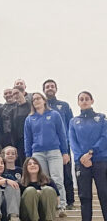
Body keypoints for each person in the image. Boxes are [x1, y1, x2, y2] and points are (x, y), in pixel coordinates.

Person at [24, 92, 69, 217]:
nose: (36, 101)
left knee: (57, 178)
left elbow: (62, 134)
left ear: (44, 100)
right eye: (33, 100)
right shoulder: (29, 119)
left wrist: (65, 152)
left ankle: (61, 206)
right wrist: (29, 156)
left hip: (54, 151)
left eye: (38, 98)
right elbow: (28, 139)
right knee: (43, 180)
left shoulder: (54, 114)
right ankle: (48, 207)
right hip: (38, 153)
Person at [69, 91, 107, 221]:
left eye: (86, 99)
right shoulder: (73, 121)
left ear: (92, 101)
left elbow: (105, 137)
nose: (84, 101)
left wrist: (91, 153)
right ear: (78, 102)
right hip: (82, 163)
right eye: (81, 99)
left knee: (104, 194)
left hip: (100, 160)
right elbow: (73, 142)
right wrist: (81, 158)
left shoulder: (102, 118)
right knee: (84, 196)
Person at [43, 79, 75, 210]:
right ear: (44, 90)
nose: (50, 88)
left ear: (56, 89)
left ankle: (70, 201)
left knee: (66, 173)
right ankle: (53, 200)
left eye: (52, 86)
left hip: (63, 145)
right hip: (47, 147)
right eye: (47, 87)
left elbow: (70, 124)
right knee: (49, 174)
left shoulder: (64, 105)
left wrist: (68, 144)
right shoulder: (40, 107)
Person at [19, 157, 59, 221]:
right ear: (25, 168)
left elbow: (57, 199)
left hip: (45, 213)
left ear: (39, 166)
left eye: (35, 163)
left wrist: (42, 194)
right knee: (30, 190)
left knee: (48, 189)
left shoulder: (48, 181)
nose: (32, 165)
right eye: (29, 164)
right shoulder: (20, 183)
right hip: (27, 214)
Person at [10, 87, 31, 167]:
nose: (15, 96)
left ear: (23, 92)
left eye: (17, 93)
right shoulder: (13, 111)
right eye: (13, 94)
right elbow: (12, 129)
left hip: (33, 139)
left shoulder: (31, 106)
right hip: (20, 142)